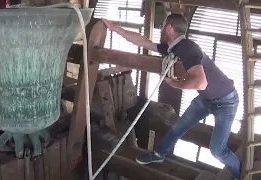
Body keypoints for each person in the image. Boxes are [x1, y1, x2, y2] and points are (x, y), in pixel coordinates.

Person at [102, 13, 241, 180]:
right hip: (206, 99)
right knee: (179, 126)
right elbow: (143, 41)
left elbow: (200, 83)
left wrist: (174, 84)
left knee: (217, 150)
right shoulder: (173, 47)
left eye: (162, 26)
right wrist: (115, 29)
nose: (161, 29)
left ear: (169, 27)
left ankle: (240, 174)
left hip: (225, 101)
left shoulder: (187, 47)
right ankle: (160, 153)